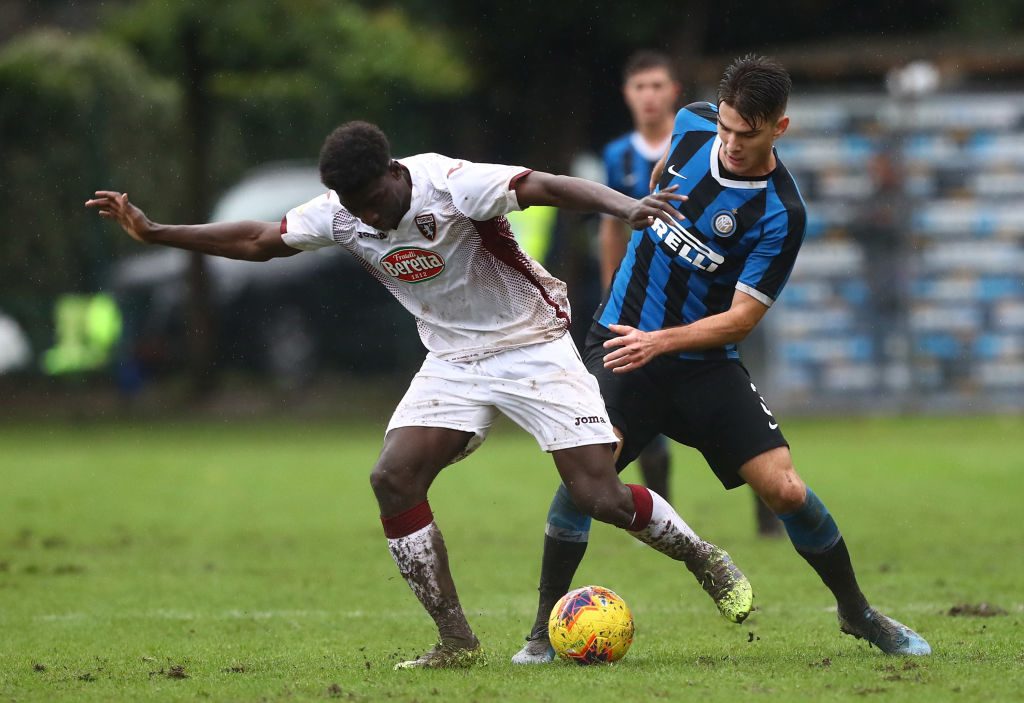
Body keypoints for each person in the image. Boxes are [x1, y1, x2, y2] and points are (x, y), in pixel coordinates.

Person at [86, 121, 754, 669]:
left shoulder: (453, 183)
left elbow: (543, 184)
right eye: (355, 208)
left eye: (375, 201)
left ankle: (705, 558)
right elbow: (261, 239)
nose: (369, 217)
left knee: (597, 494)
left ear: (394, 172)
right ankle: (457, 641)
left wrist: (625, 204)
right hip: (454, 357)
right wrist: (155, 231)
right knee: (393, 476)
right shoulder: (344, 213)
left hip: (532, 341)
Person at [513, 55, 931, 664]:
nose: (732, 143)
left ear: (778, 129)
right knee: (586, 478)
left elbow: (741, 319)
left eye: (749, 133)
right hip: (622, 343)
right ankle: (539, 633)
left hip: (703, 362)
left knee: (785, 489)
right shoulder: (690, 124)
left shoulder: (780, 213)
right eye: (728, 127)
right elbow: (658, 180)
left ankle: (857, 612)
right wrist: (634, 287)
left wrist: (664, 339)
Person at [600, 50, 783, 536]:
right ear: (627, 95)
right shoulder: (620, 154)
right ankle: (664, 515)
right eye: (641, 87)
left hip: (708, 312)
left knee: (738, 423)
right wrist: (611, 284)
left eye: (658, 85)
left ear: (673, 92)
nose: (650, 96)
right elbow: (614, 225)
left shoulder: (706, 131)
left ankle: (767, 512)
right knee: (631, 435)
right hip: (637, 306)